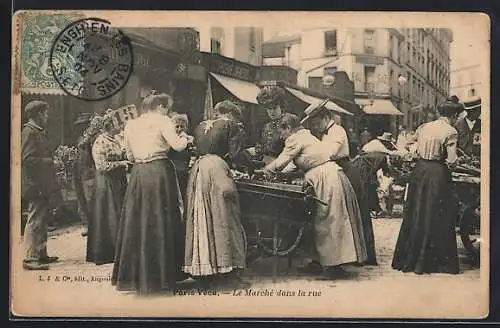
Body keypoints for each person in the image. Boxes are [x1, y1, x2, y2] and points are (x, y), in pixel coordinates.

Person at [261, 113, 368, 276]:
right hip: (327, 176)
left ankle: (333, 266)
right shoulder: (305, 136)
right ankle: (322, 261)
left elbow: (283, 160)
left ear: (288, 128)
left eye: (282, 133)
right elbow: (294, 163)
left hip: (326, 178)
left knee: (329, 220)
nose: (282, 137)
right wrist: (278, 171)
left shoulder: (295, 138)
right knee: (322, 220)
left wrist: (266, 170)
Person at [112, 93, 193, 293]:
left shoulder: (131, 124)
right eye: (167, 108)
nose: (168, 111)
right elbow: (178, 146)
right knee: (161, 217)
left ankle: (136, 276)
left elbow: (128, 154)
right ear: (160, 106)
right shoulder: (163, 121)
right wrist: (185, 137)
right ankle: (164, 275)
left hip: (139, 172)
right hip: (158, 171)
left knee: (138, 220)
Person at [392, 97, 462, 275]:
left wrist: (419, 151)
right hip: (436, 173)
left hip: (420, 171)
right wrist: (456, 161)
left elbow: (407, 143)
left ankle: (410, 258)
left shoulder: (424, 127)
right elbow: (452, 161)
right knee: (435, 214)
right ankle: (433, 261)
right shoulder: (451, 131)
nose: (456, 119)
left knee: (417, 212)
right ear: (453, 115)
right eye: (456, 116)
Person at [183, 100, 250, 286]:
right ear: (230, 114)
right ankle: (229, 271)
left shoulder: (200, 125)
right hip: (217, 170)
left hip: (198, 170)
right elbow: (236, 155)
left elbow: (196, 150)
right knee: (225, 217)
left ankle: (204, 268)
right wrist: (248, 161)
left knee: (201, 219)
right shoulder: (231, 125)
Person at [304, 101, 377, 266]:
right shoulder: (326, 132)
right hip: (336, 171)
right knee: (343, 216)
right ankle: (348, 255)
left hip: (346, 172)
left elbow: (329, 153)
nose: (316, 127)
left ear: (325, 117)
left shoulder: (337, 131)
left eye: (317, 123)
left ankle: (359, 256)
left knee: (353, 214)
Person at [21, 100, 61, 270]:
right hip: (35, 184)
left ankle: (41, 254)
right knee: (35, 219)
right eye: (45, 113)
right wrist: (51, 162)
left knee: (43, 218)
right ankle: (30, 258)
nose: (47, 116)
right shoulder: (29, 132)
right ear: (37, 114)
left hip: (42, 184)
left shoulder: (37, 131)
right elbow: (27, 160)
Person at [86, 113, 128, 265]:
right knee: (108, 215)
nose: (120, 125)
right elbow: (101, 166)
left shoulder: (115, 139)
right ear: (110, 125)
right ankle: (106, 252)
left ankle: (118, 250)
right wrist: (122, 164)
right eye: (117, 123)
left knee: (117, 214)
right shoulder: (100, 141)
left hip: (118, 182)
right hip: (106, 183)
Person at [255, 86, 287, 160]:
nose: (272, 112)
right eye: (269, 109)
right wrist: (259, 148)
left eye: (275, 108)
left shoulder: (287, 124)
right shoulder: (266, 127)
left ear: (281, 107)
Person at [168, 113, 192, 204]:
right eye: (176, 127)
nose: (179, 129)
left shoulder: (190, 140)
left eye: (182, 127)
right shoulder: (170, 140)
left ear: (186, 127)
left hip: (184, 173)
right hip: (172, 173)